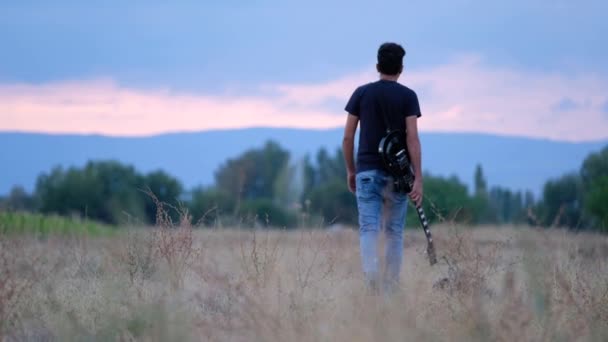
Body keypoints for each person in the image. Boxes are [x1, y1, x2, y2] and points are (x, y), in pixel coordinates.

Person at [342, 42, 423, 293]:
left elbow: (347, 138)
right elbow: (412, 138)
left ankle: (372, 280)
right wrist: (417, 177)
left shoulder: (361, 93)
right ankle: (390, 289)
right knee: (394, 232)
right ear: (401, 68)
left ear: (377, 66)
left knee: (368, 228)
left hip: (366, 171)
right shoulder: (408, 96)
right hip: (398, 175)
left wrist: (351, 170)